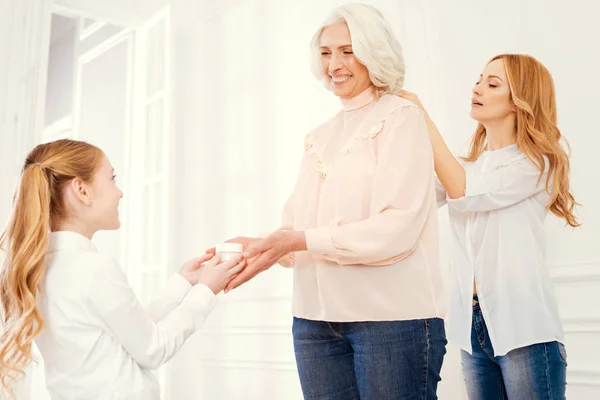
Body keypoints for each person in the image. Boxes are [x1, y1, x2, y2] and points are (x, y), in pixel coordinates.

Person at [216, 4, 447, 399]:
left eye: (347, 50)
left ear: (374, 52)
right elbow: (299, 226)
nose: (334, 64)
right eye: (325, 52)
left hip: (390, 321)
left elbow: (396, 230)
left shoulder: (402, 117)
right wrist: (260, 249)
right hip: (313, 323)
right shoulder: (318, 136)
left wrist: (296, 241)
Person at [0, 139, 244, 399]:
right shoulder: (94, 269)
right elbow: (154, 349)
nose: (120, 192)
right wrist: (206, 291)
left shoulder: (39, 269)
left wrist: (182, 283)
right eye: (112, 178)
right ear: (82, 190)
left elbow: (129, 331)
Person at [400, 53, 577, 400]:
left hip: (525, 328)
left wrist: (423, 118)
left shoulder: (537, 164)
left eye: (492, 83)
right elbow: (412, 198)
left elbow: (464, 194)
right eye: (479, 79)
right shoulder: (469, 165)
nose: (478, 88)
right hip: (470, 327)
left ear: (520, 102)